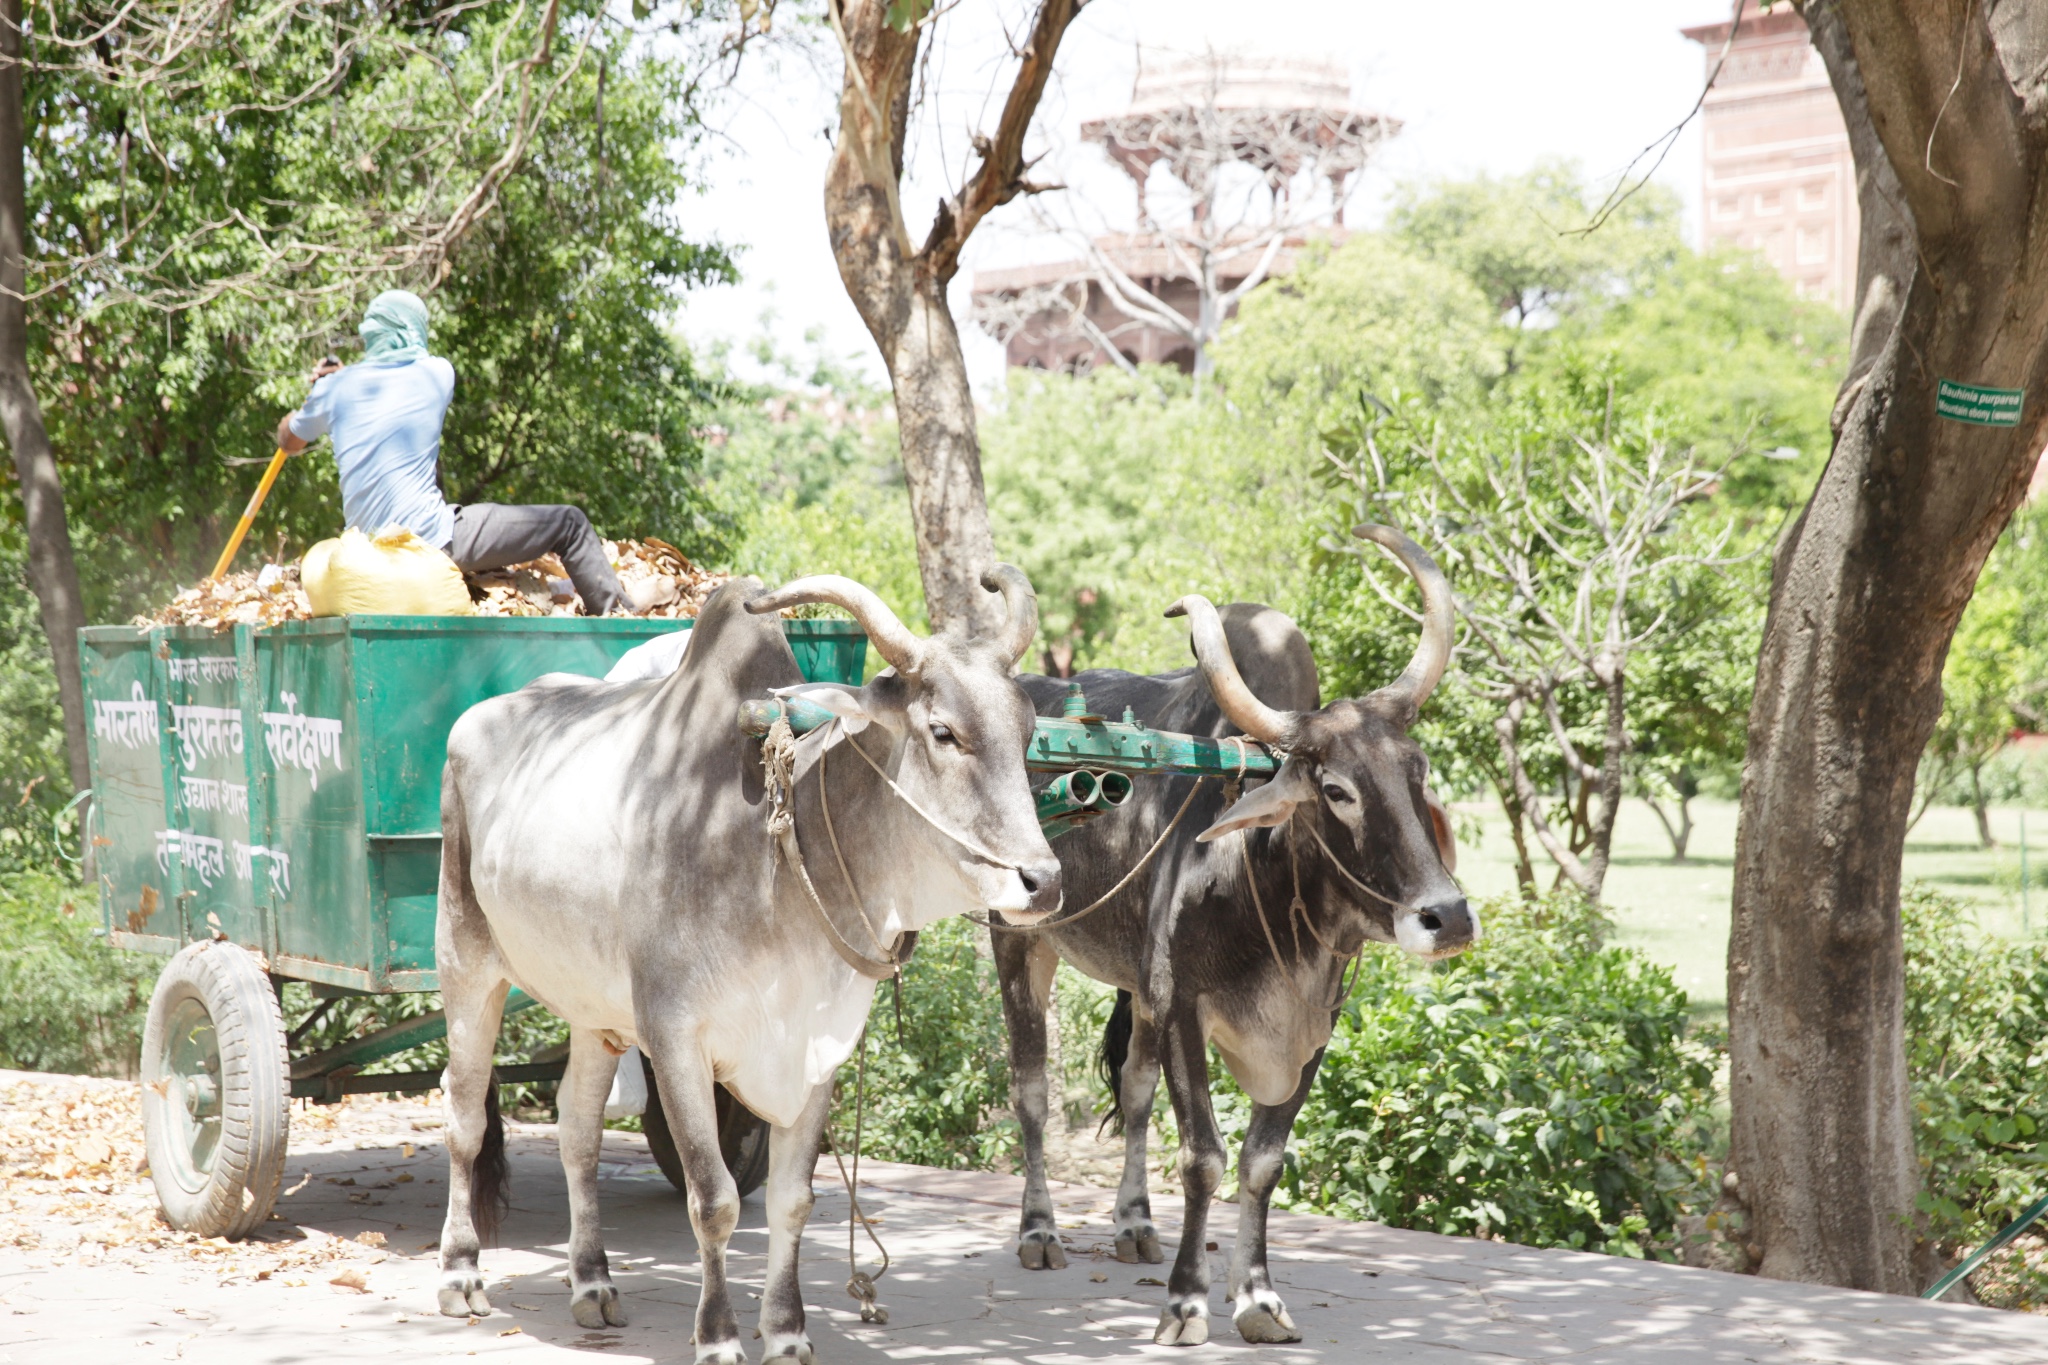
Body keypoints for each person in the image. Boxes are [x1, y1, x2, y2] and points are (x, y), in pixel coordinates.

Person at [277, 290, 626, 615]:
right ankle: (622, 621)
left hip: (368, 553)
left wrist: (319, 393)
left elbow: (289, 442)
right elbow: (394, 390)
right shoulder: (437, 373)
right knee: (570, 523)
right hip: (431, 540)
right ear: (413, 330)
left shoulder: (335, 388)